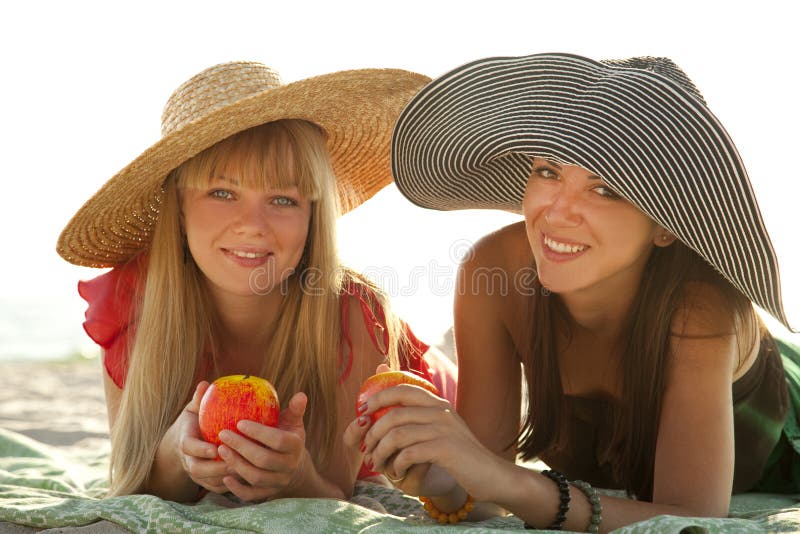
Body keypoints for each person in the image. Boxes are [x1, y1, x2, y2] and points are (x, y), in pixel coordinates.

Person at [350, 53, 800, 531]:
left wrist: (512, 483)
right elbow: (483, 492)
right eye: (548, 171)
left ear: (665, 227)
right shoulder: (495, 275)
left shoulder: (700, 307)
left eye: (605, 189)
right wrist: (438, 474)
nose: (557, 212)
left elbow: (688, 518)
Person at [56, 60, 456, 503]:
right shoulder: (133, 306)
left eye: (282, 199)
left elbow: (337, 490)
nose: (252, 225)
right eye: (223, 193)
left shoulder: (352, 314)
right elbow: (135, 481)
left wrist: (297, 477)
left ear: (312, 218)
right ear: (179, 208)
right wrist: (176, 455)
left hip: (440, 392)